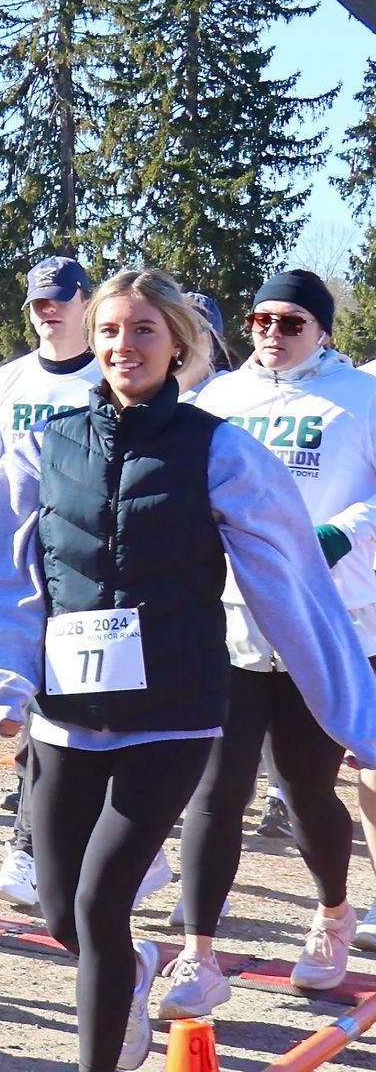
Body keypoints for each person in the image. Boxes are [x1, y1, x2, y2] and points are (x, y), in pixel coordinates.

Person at [0, 267, 376, 1072]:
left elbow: (291, 582)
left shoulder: (219, 449)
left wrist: (354, 711)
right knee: (63, 909)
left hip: (175, 713)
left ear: (178, 343)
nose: (125, 346)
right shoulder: (44, 445)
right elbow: (0, 571)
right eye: (111, 330)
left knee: (101, 901)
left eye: (145, 329)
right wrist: (5, 678)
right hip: (67, 715)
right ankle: (133, 967)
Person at [157, 269, 376, 1012]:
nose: (272, 335)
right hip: (234, 617)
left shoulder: (361, 399)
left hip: (326, 617)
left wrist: (344, 531)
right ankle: (198, 955)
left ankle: (333, 912)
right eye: (260, 321)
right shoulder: (218, 399)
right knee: (217, 788)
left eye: (290, 323)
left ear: (324, 330)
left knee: (307, 786)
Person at [0, 258, 108, 913]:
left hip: (92, 568)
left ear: (86, 302)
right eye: (38, 302)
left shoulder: (108, 375)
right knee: (35, 702)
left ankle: (60, 845)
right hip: (20, 566)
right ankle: (28, 847)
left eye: (59, 299)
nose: (48, 311)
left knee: (81, 710)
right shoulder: (5, 384)